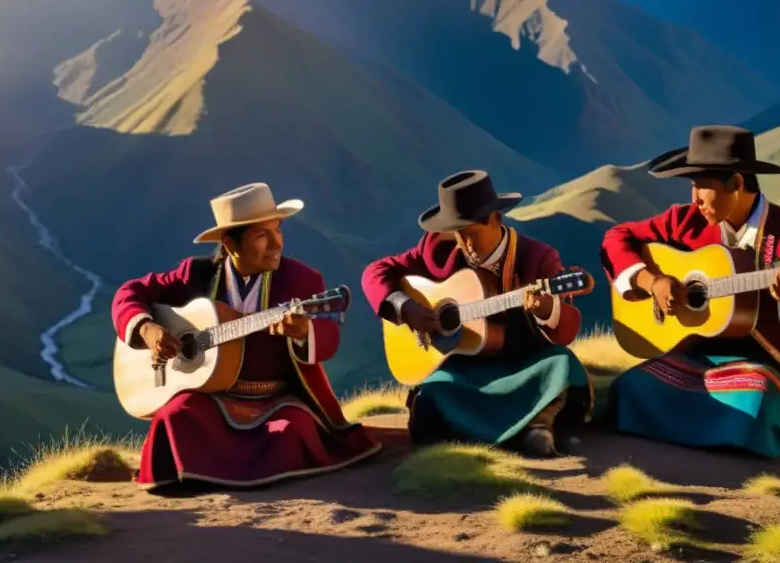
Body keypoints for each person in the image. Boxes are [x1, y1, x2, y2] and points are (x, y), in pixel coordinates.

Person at [111, 183, 381, 490]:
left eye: (278, 230)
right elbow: (129, 292)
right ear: (229, 242)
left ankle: (212, 471)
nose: (277, 243)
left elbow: (329, 335)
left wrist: (304, 331)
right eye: (262, 235)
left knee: (290, 432)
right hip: (212, 398)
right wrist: (147, 328)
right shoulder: (196, 275)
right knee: (176, 416)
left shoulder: (301, 279)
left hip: (277, 400)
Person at [600, 126, 780, 458]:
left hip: (768, 364)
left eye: (702, 187)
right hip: (695, 353)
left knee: (754, 399)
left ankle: (701, 428)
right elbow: (618, 237)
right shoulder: (684, 222)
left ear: (738, 183)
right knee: (630, 388)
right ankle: (719, 433)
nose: (694, 199)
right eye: (692, 187)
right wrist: (650, 281)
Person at [361, 170, 593, 458]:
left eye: (472, 233)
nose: (465, 244)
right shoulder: (436, 250)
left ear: (495, 219)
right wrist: (405, 308)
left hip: (523, 363)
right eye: (458, 234)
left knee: (562, 365)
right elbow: (375, 272)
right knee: (433, 391)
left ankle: (535, 427)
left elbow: (566, 332)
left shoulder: (537, 257)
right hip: (463, 368)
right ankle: (527, 431)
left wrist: (546, 308)